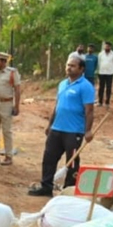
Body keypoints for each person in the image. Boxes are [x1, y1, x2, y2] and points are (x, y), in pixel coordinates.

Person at [29, 56, 94, 196]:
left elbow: (89, 110)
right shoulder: (63, 84)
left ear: (81, 69)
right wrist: (50, 124)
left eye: (72, 66)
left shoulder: (86, 86)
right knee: (48, 159)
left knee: (71, 163)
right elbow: (57, 106)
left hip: (74, 132)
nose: (68, 68)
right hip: (57, 129)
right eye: (67, 65)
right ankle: (46, 187)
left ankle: (68, 191)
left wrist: (88, 131)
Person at [98, 41, 113, 108]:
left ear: (110, 47)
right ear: (104, 46)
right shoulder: (100, 54)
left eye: (108, 46)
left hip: (110, 73)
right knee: (101, 87)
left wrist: (112, 69)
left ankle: (107, 103)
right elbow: (99, 63)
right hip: (101, 72)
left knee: (108, 88)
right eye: (106, 46)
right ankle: (100, 102)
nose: (107, 47)